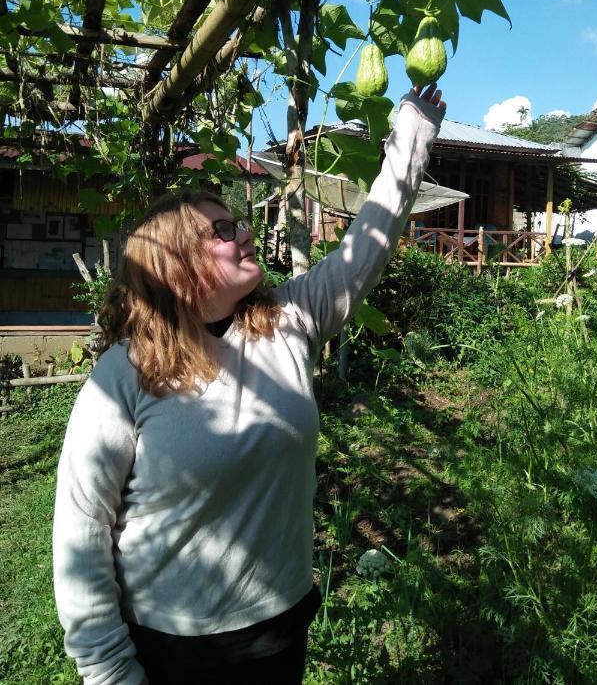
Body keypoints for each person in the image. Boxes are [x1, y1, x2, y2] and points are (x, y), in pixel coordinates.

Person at [52, 82, 446, 685]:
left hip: (277, 631)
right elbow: (82, 532)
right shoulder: (124, 377)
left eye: (237, 224)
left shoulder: (288, 322)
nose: (244, 235)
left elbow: (368, 243)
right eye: (221, 230)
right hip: (170, 649)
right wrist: (108, 671)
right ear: (175, 265)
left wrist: (413, 132)